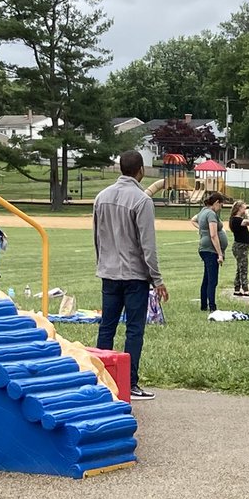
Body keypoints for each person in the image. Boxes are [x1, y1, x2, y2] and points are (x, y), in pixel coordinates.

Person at [93, 148, 169, 401]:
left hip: (109, 271)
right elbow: (148, 245)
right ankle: (129, 382)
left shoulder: (101, 197)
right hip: (134, 275)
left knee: (107, 326)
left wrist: (102, 263)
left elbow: (97, 236)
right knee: (134, 330)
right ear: (141, 171)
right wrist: (157, 279)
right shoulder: (142, 200)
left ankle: (101, 378)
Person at [196, 191, 228, 313]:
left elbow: (194, 220)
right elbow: (213, 235)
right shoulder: (211, 214)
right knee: (212, 280)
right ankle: (212, 306)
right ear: (216, 202)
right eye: (221, 205)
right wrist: (219, 253)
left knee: (206, 278)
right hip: (210, 249)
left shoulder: (203, 212)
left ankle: (204, 304)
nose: (220, 208)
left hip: (204, 248)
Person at [229, 199, 249, 297]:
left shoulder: (237, 220)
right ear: (239, 208)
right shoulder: (237, 220)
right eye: (244, 208)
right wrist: (247, 214)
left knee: (240, 268)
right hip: (240, 248)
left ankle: (237, 289)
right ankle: (245, 290)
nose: (245, 210)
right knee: (243, 268)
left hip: (242, 247)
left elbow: (242, 233)